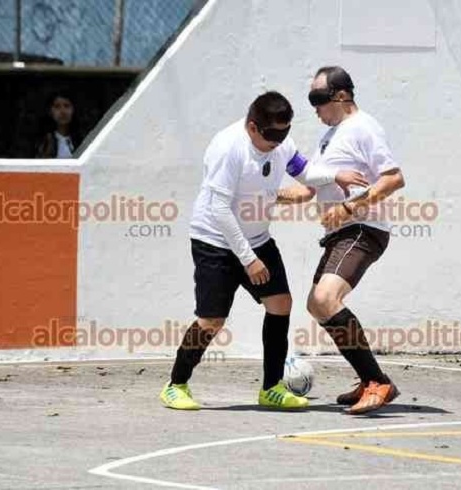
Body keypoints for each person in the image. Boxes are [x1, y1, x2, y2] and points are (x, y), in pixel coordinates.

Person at [160, 91, 367, 410]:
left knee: (281, 303)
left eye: (283, 134)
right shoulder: (228, 147)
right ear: (252, 127)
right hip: (215, 242)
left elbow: (305, 172)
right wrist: (249, 260)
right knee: (211, 321)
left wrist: (334, 175)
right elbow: (219, 209)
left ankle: (271, 388)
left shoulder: (280, 141)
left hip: (257, 239)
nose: (277, 142)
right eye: (272, 136)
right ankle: (176, 385)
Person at [305, 66, 406, 414]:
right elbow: (308, 187)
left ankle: (377, 382)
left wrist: (349, 207)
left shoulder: (364, 127)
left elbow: (393, 179)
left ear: (341, 95)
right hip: (338, 233)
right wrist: (267, 195)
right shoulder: (328, 137)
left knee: (326, 298)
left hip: (363, 228)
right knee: (317, 305)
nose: (314, 107)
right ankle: (369, 380)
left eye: (318, 98)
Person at [35, 91, 83, 159]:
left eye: (67, 106)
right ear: (50, 111)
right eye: (57, 106)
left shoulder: (82, 138)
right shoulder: (45, 140)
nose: (63, 111)